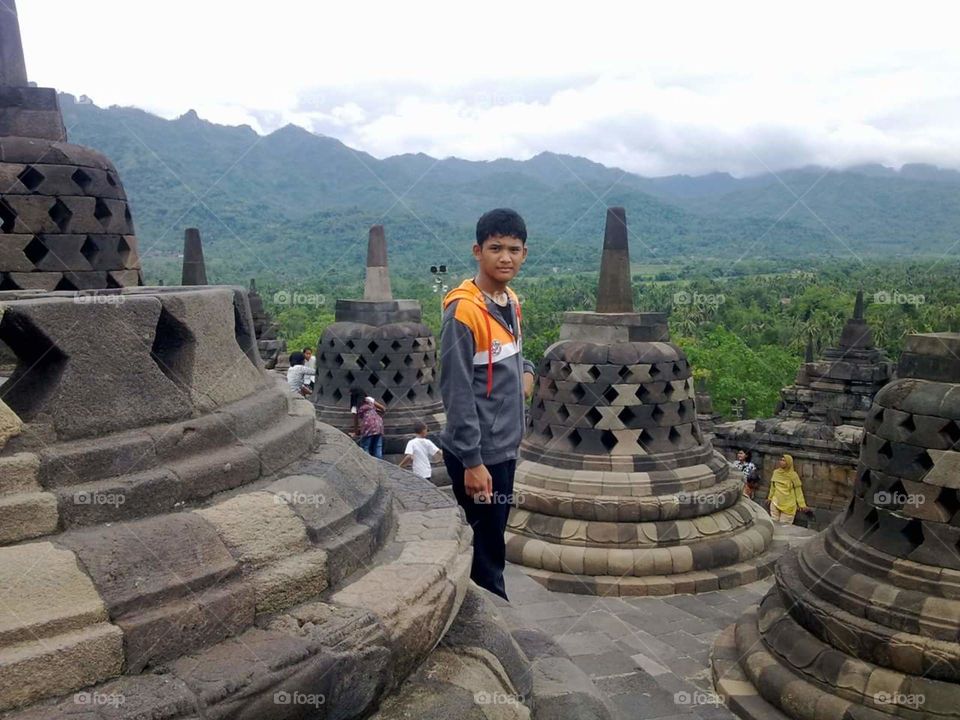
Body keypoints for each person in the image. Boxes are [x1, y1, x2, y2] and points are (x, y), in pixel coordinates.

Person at [439, 208, 536, 600]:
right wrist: (473, 462)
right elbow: (457, 391)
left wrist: (526, 376)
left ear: (525, 254)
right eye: (496, 248)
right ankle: (491, 627)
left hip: (504, 446)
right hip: (480, 453)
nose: (506, 257)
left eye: (514, 249)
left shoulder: (509, 301)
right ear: (477, 251)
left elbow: (514, 356)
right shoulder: (463, 312)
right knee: (487, 550)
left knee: (492, 537)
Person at [766, 453, 809, 524]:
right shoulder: (776, 473)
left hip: (789, 504)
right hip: (775, 501)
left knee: (784, 525)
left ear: (789, 463)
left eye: (784, 461)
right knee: (773, 522)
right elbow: (773, 487)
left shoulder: (793, 475)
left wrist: (802, 505)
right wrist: (770, 498)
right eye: (781, 460)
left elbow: (798, 491)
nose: (781, 462)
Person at [350, 388, 386, 459]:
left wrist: (355, 432)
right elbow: (383, 409)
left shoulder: (355, 407)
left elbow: (356, 422)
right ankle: (380, 465)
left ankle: (368, 464)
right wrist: (376, 412)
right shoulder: (369, 399)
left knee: (365, 446)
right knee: (378, 446)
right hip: (378, 423)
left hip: (367, 426)